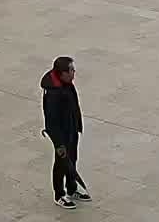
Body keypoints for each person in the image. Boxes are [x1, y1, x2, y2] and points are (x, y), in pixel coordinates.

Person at [42, 56, 91, 209]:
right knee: (61, 164)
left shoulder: (66, 83)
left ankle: (72, 188)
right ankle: (59, 195)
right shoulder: (52, 94)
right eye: (71, 70)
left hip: (71, 129)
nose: (73, 72)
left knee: (72, 160)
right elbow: (51, 121)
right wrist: (58, 143)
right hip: (61, 136)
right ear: (62, 73)